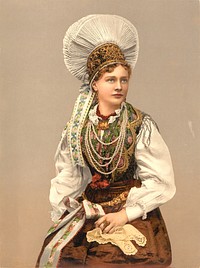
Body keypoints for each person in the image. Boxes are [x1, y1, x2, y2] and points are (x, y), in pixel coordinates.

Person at [36, 14, 176, 267]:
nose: (119, 86)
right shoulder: (77, 128)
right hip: (92, 210)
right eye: (110, 80)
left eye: (124, 80)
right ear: (95, 85)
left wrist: (125, 214)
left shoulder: (139, 124)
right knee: (63, 256)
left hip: (132, 211)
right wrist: (63, 211)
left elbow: (160, 181)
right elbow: (69, 177)